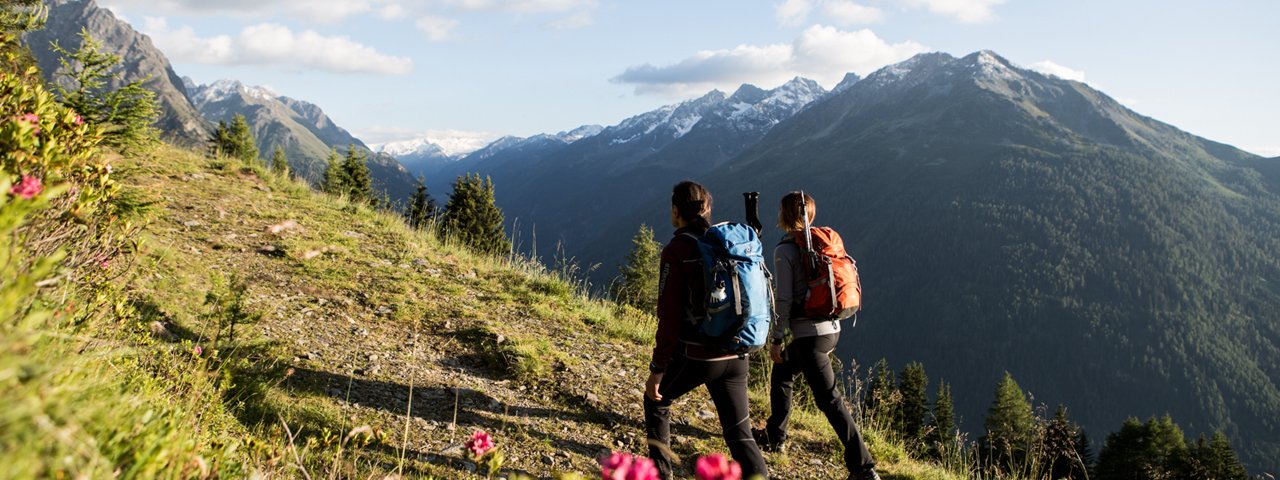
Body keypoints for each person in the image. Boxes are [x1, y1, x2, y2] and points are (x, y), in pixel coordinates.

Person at [644, 180, 768, 480]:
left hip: (699, 356)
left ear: (676, 211)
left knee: (656, 400)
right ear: (707, 209)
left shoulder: (678, 250)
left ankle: (662, 474)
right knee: (740, 434)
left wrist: (658, 367)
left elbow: (669, 317)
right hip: (738, 351)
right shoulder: (725, 245)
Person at [753, 191, 879, 480]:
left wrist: (776, 339)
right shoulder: (825, 244)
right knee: (783, 371)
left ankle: (864, 468)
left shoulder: (785, 251)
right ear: (810, 215)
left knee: (830, 401)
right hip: (831, 329)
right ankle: (776, 435)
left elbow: (783, 300)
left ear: (784, 216)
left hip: (809, 336)